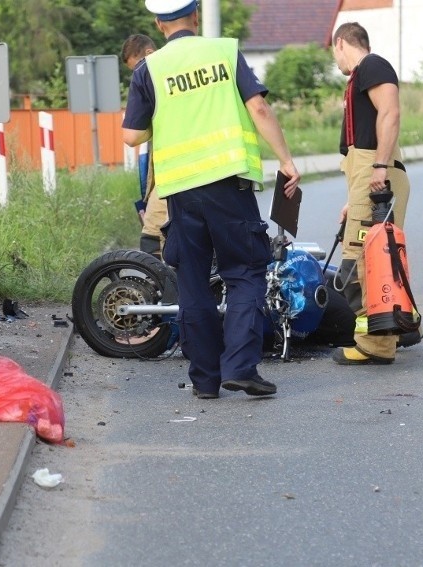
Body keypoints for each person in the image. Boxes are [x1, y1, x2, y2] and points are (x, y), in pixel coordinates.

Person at [122, 0, 300, 398]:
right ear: (195, 16)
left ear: (157, 23)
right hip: (228, 187)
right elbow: (258, 107)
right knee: (245, 272)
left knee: (193, 284)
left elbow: (131, 136)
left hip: (181, 192)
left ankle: (205, 380)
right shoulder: (223, 52)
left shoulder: (148, 70)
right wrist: (286, 161)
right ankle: (240, 367)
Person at [329, 22, 419, 366]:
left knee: (361, 262)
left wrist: (380, 167)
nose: (335, 60)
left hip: (375, 172)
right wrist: (353, 201)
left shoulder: (373, 65)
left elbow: (390, 112)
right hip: (366, 176)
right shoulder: (360, 76)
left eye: (334, 53)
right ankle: (399, 329)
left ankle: (376, 344)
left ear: (341, 43)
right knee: (379, 257)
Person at [120, 34, 167, 259]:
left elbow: (131, 137)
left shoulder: (152, 75)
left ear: (149, 54)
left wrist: (154, 126)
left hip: (174, 175)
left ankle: (166, 292)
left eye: (137, 66)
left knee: (153, 240)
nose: (137, 73)